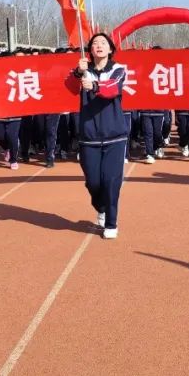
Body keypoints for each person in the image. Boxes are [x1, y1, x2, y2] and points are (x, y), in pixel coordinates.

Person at [68, 32, 127, 239]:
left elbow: (113, 89)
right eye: (95, 43)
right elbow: (69, 88)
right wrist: (78, 72)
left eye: (103, 43)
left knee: (111, 181)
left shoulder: (119, 69)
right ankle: (101, 206)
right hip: (89, 136)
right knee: (93, 182)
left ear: (110, 49)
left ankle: (111, 222)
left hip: (115, 136)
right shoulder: (82, 71)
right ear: (90, 50)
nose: (99, 46)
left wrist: (93, 86)